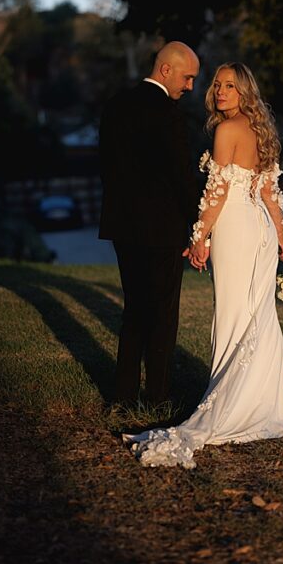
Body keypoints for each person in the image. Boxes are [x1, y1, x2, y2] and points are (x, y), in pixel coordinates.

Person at [124, 62, 283, 468]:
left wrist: (199, 236)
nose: (220, 92)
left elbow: (217, 192)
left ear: (244, 92)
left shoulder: (226, 130)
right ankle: (261, 406)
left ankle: (231, 407)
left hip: (236, 228)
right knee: (257, 316)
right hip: (260, 231)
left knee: (236, 315)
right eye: (217, 85)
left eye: (230, 87)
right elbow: (270, 192)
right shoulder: (261, 131)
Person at [99, 41, 200, 407]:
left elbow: (105, 168)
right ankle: (157, 398)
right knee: (162, 316)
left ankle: (123, 397)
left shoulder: (115, 106)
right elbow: (181, 176)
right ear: (167, 70)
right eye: (187, 77)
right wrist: (198, 224)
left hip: (123, 226)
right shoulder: (168, 113)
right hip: (161, 229)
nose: (189, 86)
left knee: (134, 310)